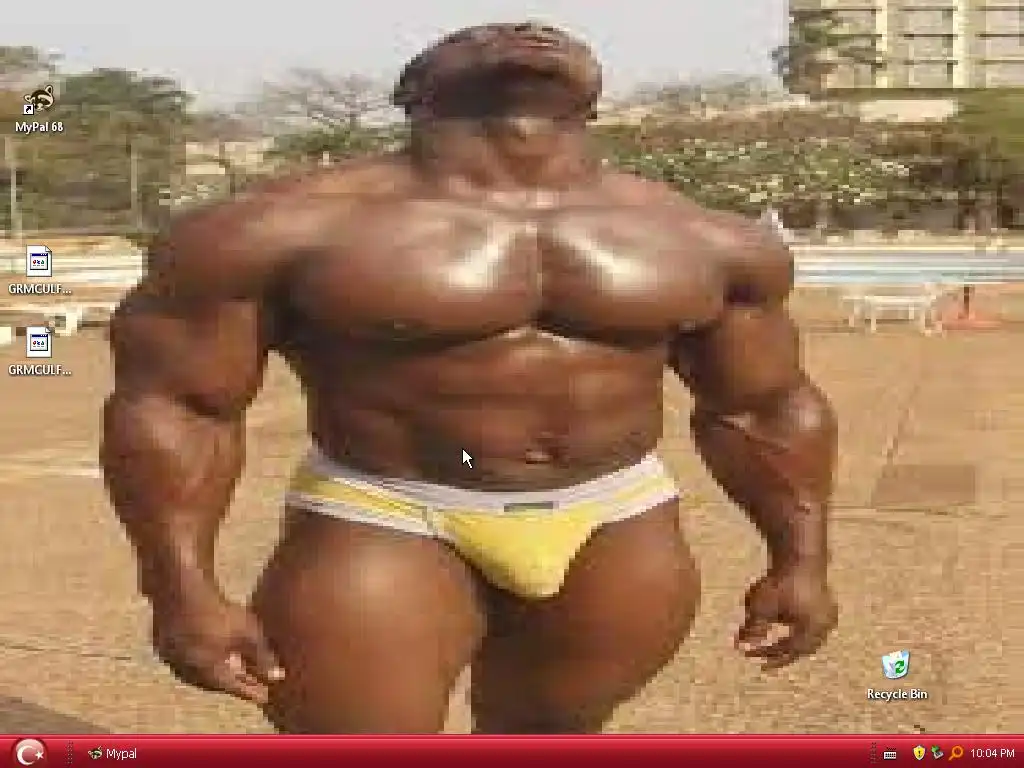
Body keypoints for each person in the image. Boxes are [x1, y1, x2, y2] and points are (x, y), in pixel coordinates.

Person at [100, 22, 838, 734]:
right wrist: (179, 590)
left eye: (547, 30)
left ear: (593, 98)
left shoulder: (704, 237)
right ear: (411, 91)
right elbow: (179, 409)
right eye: (475, 35)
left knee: (555, 735)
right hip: (389, 511)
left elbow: (764, 406)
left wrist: (801, 561)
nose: (523, 27)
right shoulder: (273, 228)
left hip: (615, 515)